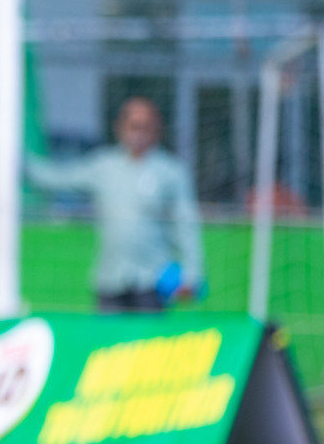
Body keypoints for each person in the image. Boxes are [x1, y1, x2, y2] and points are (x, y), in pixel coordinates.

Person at [26, 96, 204, 312]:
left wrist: (192, 274)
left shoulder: (171, 172)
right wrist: (18, 163)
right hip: (111, 279)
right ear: (119, 128)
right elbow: (59, 177)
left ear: (157, 130)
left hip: (151, 281)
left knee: (148, 343)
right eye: (133, 126)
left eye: (145, 127)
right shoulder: (104, 166)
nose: (138, 133)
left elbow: (186, 225)